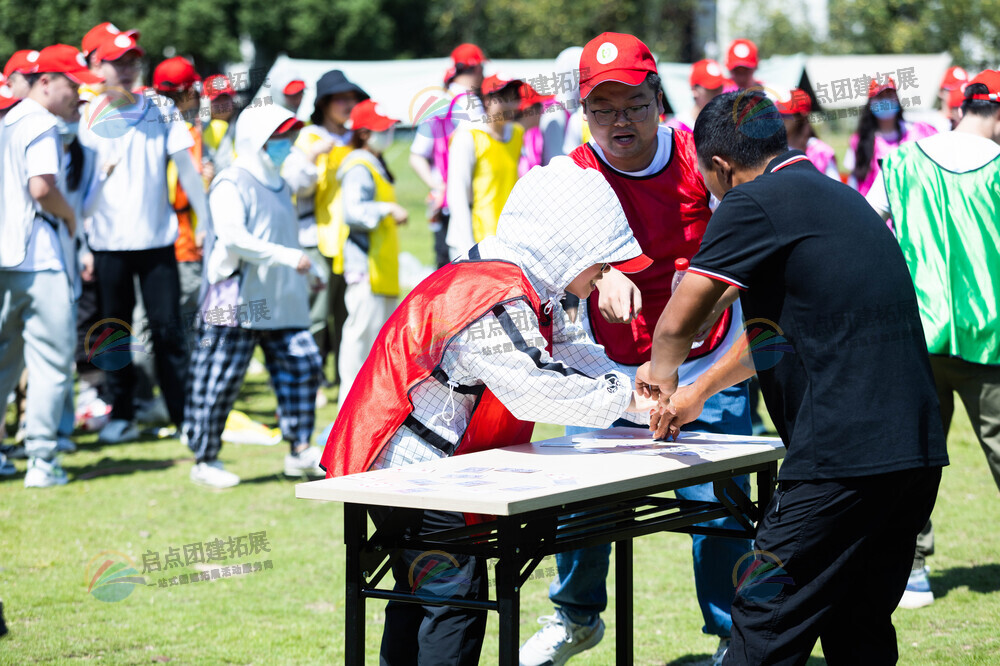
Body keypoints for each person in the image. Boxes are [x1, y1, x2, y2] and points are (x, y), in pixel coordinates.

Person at [641, 90, 948, 663]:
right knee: (857, 621)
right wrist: (697, 392)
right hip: (913, 452)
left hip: (842, 456)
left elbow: (675, 325)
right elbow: (778, 334)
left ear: (720, 167)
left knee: (763, 614)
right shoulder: (834, 197)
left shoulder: (752, 201)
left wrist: (655, 389)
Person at [321, 156, 656, 666]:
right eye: (601, 261)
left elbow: (574, 354)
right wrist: (627, 398)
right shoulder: (492, 295)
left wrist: (643, 395)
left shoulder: (526, 283)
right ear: (566, 249)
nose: (604, 276)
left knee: (420, 598)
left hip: (421, 465)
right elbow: (534, 387)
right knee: (455, 600)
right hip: (406, 467)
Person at [521, 33, 751, 666]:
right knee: (582, 501)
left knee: (720, 510)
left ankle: (735, 639)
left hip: (704, 364)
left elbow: (751, 239)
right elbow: (532, 254)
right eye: (604, 107)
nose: (620, 120)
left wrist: (708, 293)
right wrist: (596, 272)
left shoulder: (700, 156)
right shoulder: (572, 174)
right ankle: (574, 618)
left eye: (635, 103)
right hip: (611, 372)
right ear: (584, 113)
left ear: (659, 100)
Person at [865, 69, 1000, 610]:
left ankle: (912, 570)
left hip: (916, 337)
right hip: (991, 341)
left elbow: (868, 229)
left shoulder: (902, 163)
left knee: (913, 459)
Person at [184, 103, 325, 488]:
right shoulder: (232, 181)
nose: (286, 143)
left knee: (303, 366)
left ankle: (300, 449)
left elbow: (282, 235)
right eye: (278, 135)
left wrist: (307, 272)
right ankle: (205, 458)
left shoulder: (280, 184)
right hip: (236, 301)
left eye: (288, 135)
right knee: (217, 380)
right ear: (256, 139)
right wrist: (289, 257)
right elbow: (234, 238)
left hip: (281, 300)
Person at [79, 30, 211, 443]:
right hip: (106, 244)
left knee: (169, 331)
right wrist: (82, 244)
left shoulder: (160, 108)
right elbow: (77, 185)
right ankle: (123, 413)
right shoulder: (86, 114)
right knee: (113, 331)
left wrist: (205, 220)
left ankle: (183, 415)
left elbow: (187, 170)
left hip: (157, 242)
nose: (127, 68)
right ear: (98, 67)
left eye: (133, 60)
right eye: (118, 61)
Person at [0, 44, 103, 487]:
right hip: (39, 256)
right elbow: (42, 188)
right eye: (72, 85)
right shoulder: (42, 123)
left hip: (8, 254)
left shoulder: (8, 119)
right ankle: (42, 459)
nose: (77, 96)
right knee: (49, 360)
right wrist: (71, 216)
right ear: (45, 82)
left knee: (5, 362)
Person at [283, 69, 368, 390]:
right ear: (324, 103)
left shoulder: (356, 138)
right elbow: (295, 187)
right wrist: (310, 157)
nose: (348, 104)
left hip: (352, 239)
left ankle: (344, 377)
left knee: (348, 314)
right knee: (316, 316)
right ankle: (313, 379)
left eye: (351, 98)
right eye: (340, 99)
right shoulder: (307, 138)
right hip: (316, 238)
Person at [330, 99, 408, 410]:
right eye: (382, 127)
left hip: (381, 270)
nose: (388, 132)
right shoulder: (358, 166)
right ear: (363, 132)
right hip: (365, 269)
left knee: (374, 347)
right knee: (358, 344)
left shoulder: (372, 163)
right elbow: (354, 212)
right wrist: (387, 209)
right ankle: (346, 412)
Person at [409, 43, 487, 269]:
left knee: (444, 272)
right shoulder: (471, 104)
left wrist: (438, 185)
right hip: (470, 202)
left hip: (443, 203)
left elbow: (416, 155)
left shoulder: (438, 101)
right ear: (476, 68)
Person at [445, 73, 524, 259]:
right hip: (473, 242)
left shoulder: (517, 135)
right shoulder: (468, 137)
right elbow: (457, 195)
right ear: (487, 101)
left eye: (515, 99)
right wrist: (468, 248)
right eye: (504, 99)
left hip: (507, 240)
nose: (511, 105)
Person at [845, 77, 937, 196]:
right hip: (871, 211)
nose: (885, 102)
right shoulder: (859, 141)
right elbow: (853, 181)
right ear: (871, 103)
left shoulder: (917, 133)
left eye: (889, 96)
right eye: (880, 97)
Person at [777, 88, 839, 179]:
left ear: (801, 117)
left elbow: (836, 188)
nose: (779, 119)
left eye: (785, 114)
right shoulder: (774, 151)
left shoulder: (820, 153)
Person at [668, 59, 727, 133]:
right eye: (711, 89)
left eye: (720, 88)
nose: (718, 94)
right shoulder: (676, 129)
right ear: (694, 89)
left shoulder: (725, 126)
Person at [517, 82, 555, 176]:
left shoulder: (530, 137)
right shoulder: (511, 141)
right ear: (528, 111)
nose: (542, 112)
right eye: (540, 107)